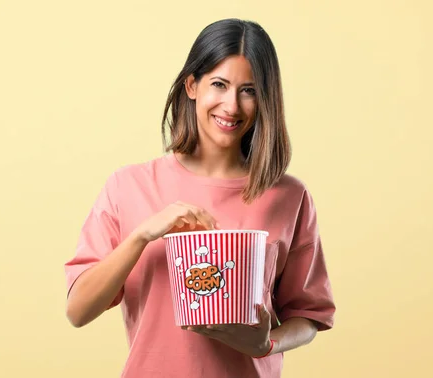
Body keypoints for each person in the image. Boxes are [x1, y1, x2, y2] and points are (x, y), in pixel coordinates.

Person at [63, 18, 336, 378]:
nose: (232, 106)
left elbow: (309, 317)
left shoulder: (289, 197)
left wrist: (266, 344)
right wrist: (143, 235)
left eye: (249, 90)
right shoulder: (128, 186)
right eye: (219, 85)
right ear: (192, 85)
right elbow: (78, 311)